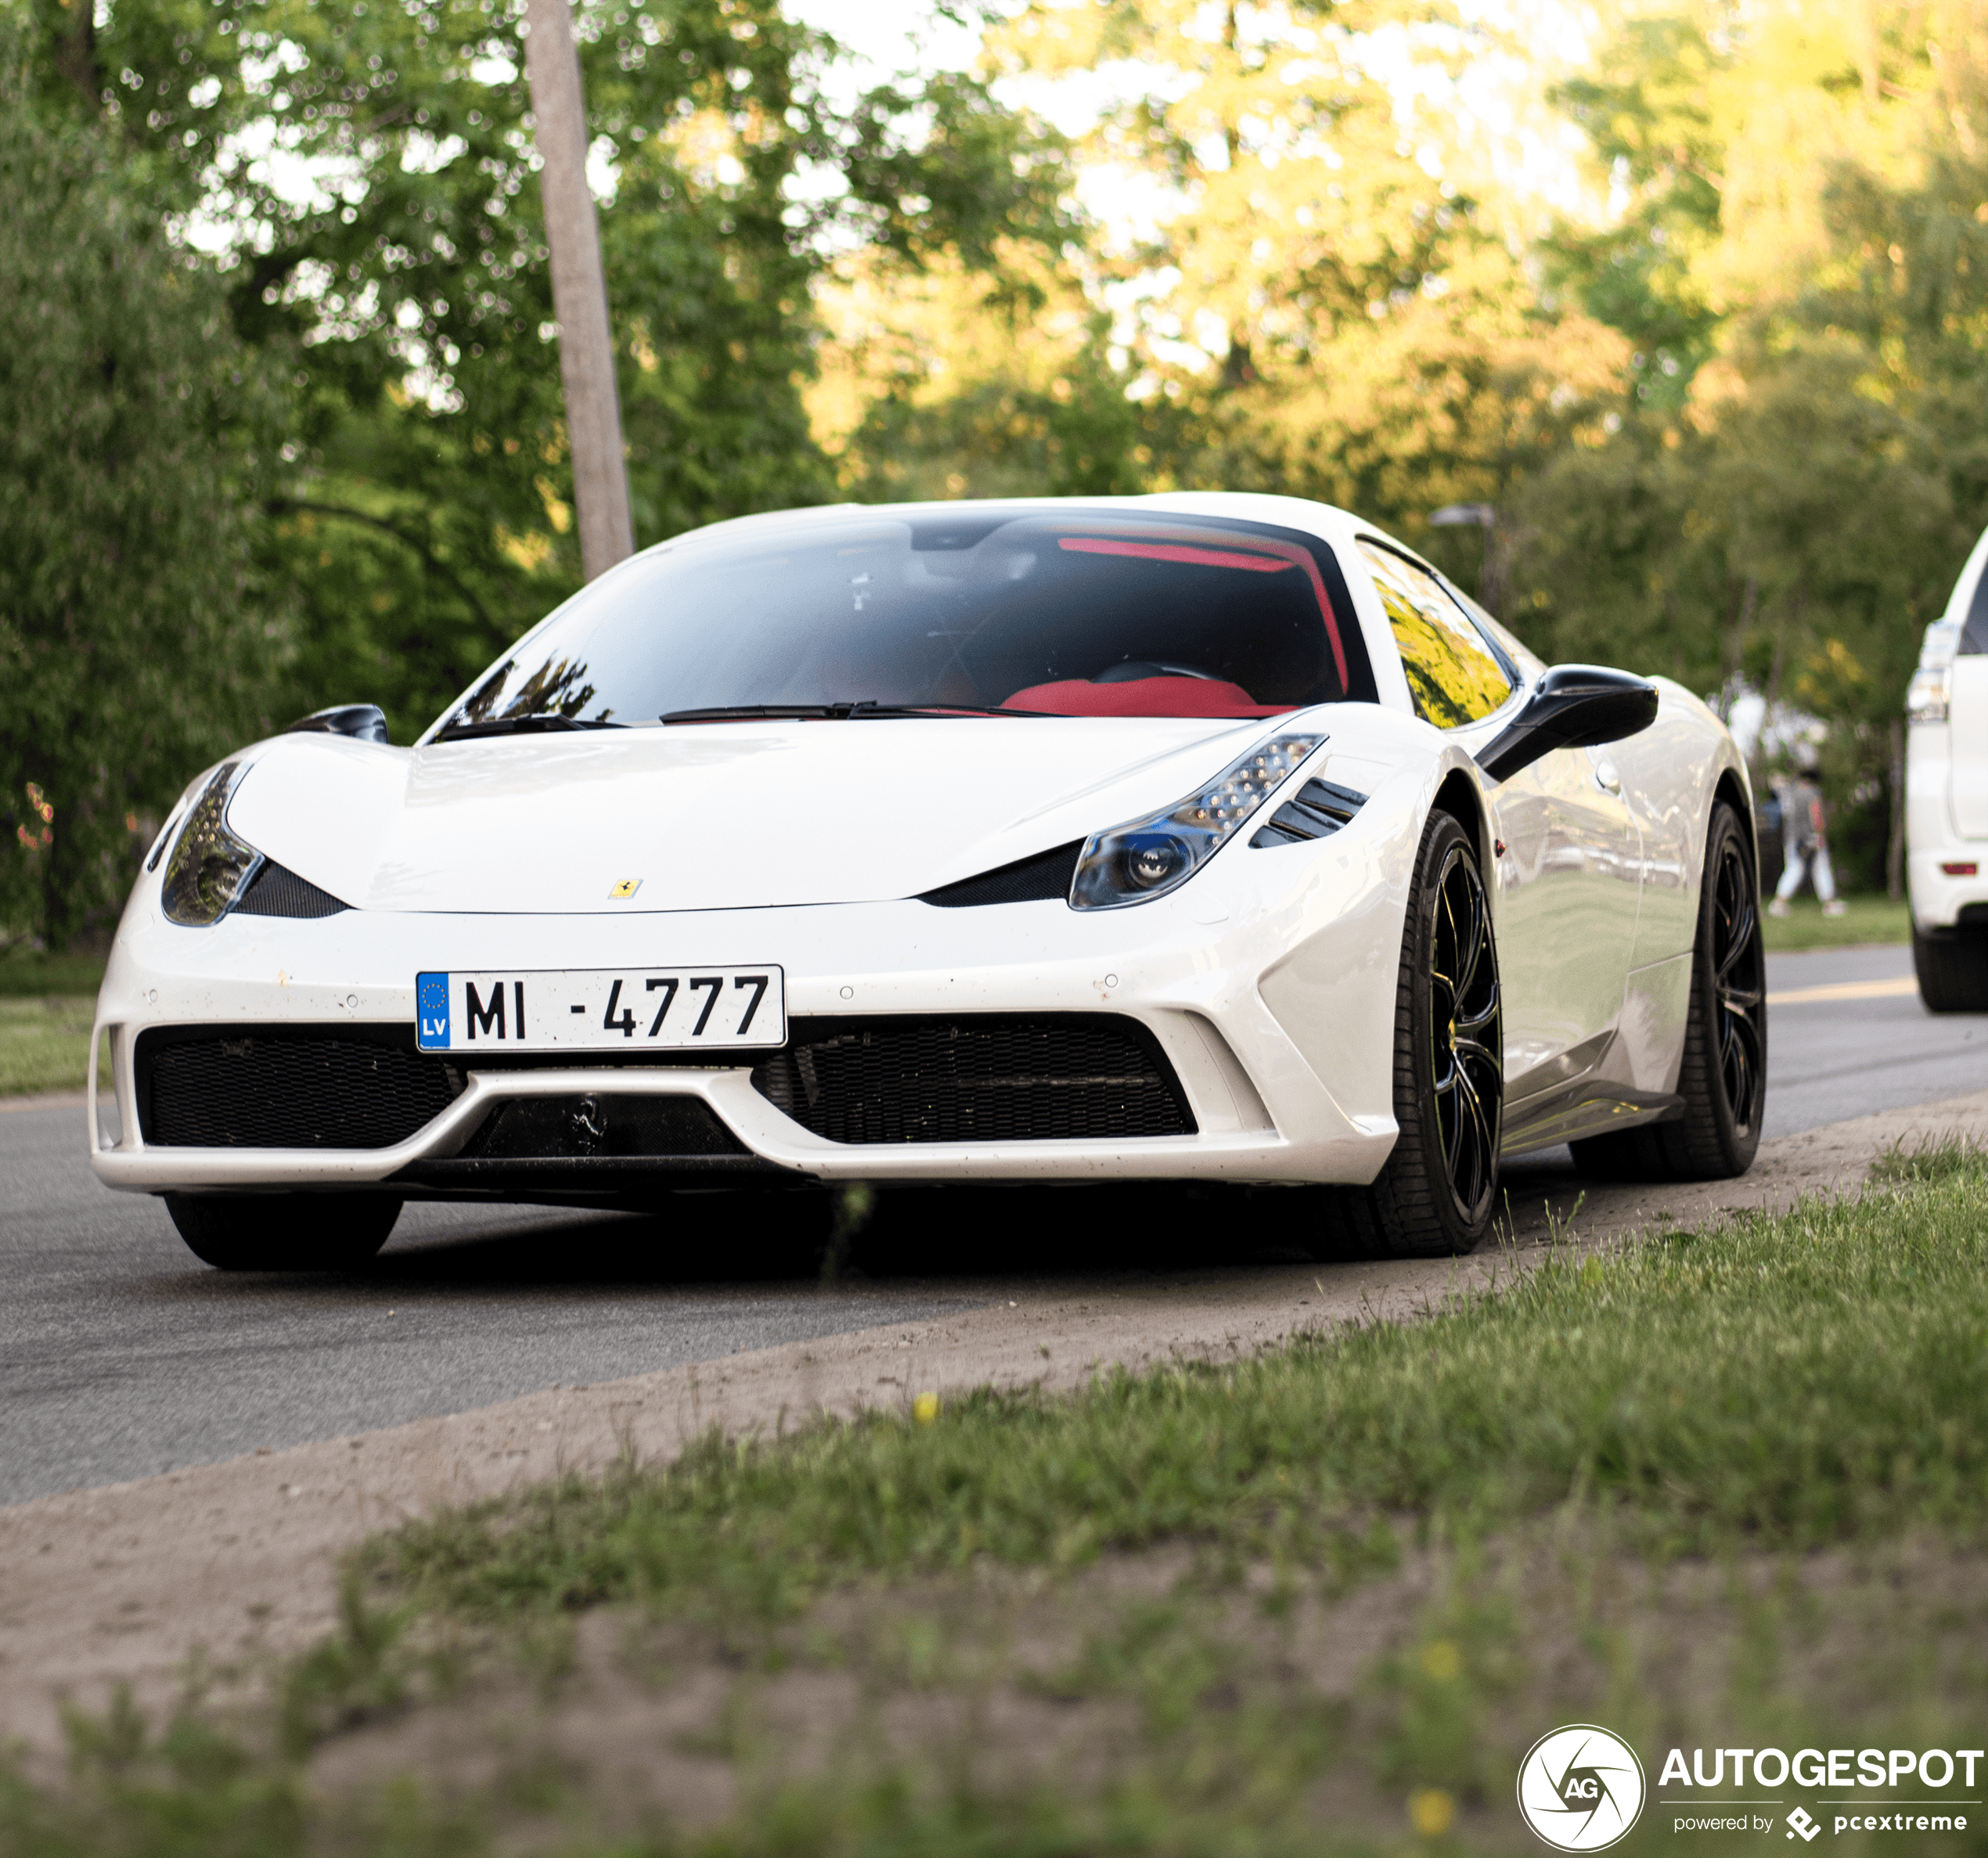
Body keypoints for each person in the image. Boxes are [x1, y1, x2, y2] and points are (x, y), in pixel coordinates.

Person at [1770, 754, 1846, 916]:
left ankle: (1779, 903)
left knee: (1793, 869)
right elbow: (1816, 815)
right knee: (1821, 869)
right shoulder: (1813, 792)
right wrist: (1819, 834)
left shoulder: (1791, 791)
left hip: (1792, 838)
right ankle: (1829, 904)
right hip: (1811, 838)